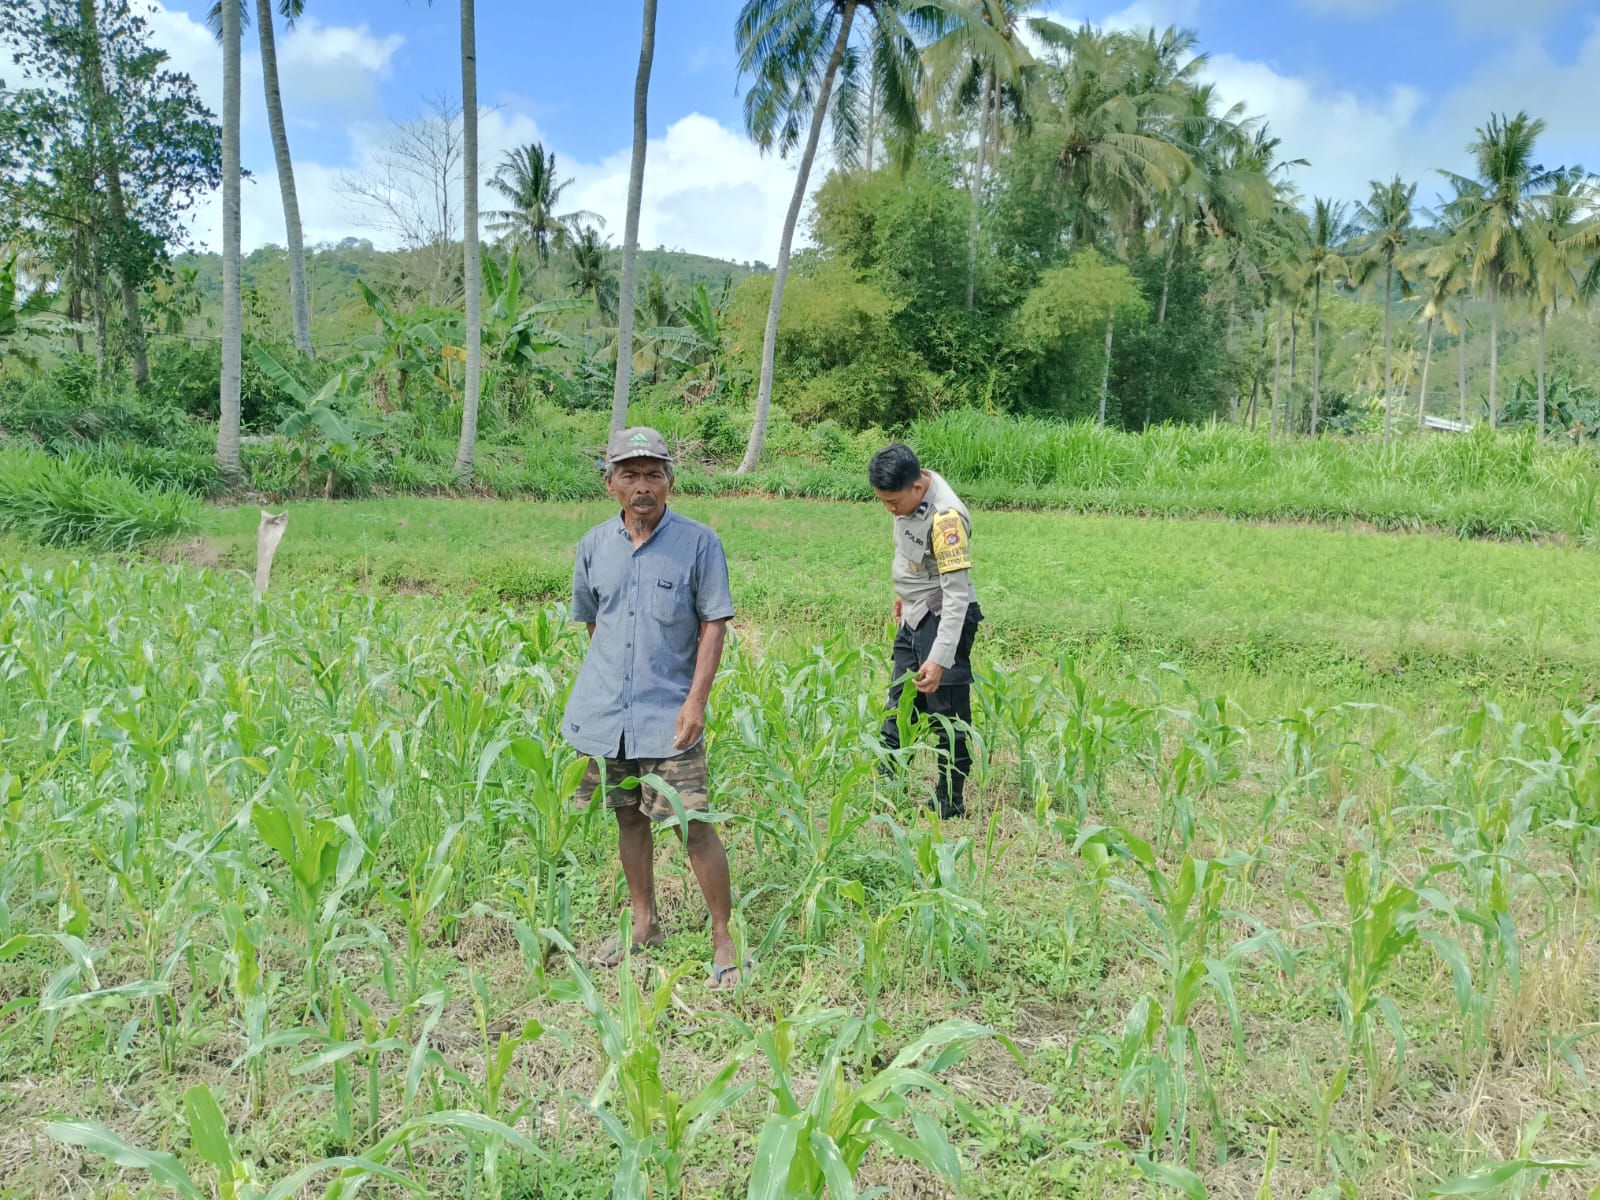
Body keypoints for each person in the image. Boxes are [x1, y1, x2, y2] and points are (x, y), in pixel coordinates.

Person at [562, 427, 745, 988]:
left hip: (670, 716)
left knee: (692, 824)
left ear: (670, 480)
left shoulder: (698, 543)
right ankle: (645, 925)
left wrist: (696, 702)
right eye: (629, 474)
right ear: (610, 483)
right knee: (628, 816)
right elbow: (597, 623)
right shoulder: (594, 546)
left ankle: (723, 937)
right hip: (608, 715)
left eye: (652, 474)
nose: (642, 486)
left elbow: (714, 624)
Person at [868, 444, 982, 819]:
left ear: (916, 489)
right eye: (882, 502)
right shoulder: (906, 493)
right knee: (899, 705)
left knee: (946, 716)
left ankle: (950, 801)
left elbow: (956, 596)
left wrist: (939, 657)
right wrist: (903, 594)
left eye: (892, 502)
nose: (889, 509)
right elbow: (909, 551)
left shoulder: (947, 519)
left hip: (942, 618)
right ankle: (887, 790)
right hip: (913, 614)